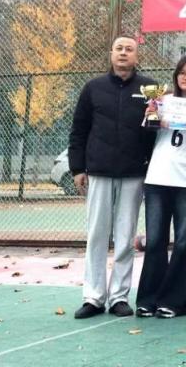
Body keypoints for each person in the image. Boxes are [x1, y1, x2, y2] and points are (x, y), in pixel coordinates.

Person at [68, 35, 156, 319]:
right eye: (119, 48)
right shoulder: (93, 88)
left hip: (134, 174)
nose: (123, 53)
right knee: (96, 234)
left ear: (136, 56)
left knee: (125, 236)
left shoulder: (150, 89)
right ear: (111, 54)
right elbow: (79, 130)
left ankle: (119, 296)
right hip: (99, 172)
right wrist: (77, 168)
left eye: (129, 49)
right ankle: (93, 297)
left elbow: (155, 133)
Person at [136, 55, 186, 318]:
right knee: (155, 241)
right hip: (157, 178)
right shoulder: (162, 101)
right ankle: (148, 299)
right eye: (182, 72)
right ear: (176, 76)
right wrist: (152, 117)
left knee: (184, 242)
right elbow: (146, 133)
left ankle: (175, 302)